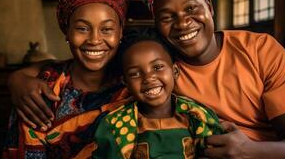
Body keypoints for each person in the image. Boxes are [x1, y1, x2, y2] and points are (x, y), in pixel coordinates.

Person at [7, 0, 285, 159]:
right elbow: (83, 63)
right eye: (167, 16)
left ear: (210, 7)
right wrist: (18, 78)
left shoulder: (259, 49)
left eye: (191, 8)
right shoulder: (154, 65)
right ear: (156, 26)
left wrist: (249, 152)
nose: (183, 22)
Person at [2, 0, 130, 158]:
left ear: (120, 32)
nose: (94, 40)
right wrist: (16, 78)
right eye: (82, 28)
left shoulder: (135, 84)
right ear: (67, 31)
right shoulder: (41, 90)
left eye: (106, 29)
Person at [93, 29, 223, 158]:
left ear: (175, 71)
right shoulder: (114, 125)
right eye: (135, 74)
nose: (148, 78)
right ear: (125, 82)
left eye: (157, 67)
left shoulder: (198, 115)